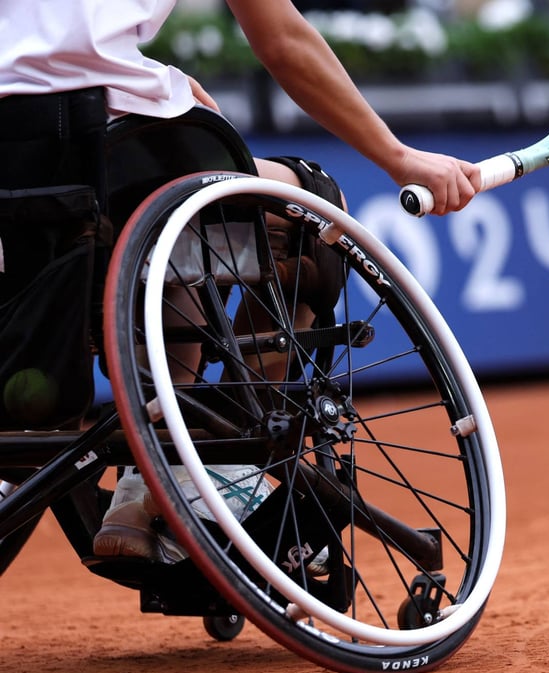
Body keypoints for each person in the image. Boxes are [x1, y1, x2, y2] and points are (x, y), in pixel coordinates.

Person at [0, 0, 482, 561]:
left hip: (20, 179)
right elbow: (282, 41)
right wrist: (400, 158)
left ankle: (153, 473)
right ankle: (203, 464)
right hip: (109, 149)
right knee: (310, 205)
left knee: (162, 225)